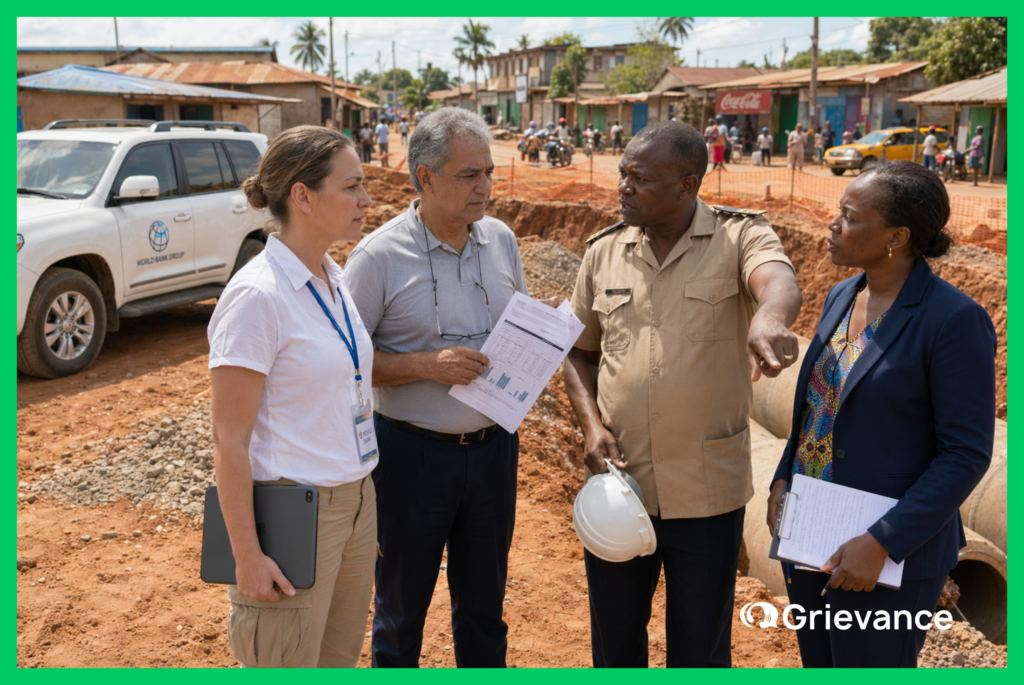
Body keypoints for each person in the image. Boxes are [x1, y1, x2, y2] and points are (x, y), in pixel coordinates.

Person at [564, 121, 802, 669]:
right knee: (615, 640)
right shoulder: (603, 253)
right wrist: (590, 426)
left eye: (640, 178)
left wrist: (769, 319)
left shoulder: (740, 236)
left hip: (706, 492)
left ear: (686, 185)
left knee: (700, 646)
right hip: (619, 485)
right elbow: (577, 350)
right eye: (622, 174)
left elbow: (777, 281)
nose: (623, 187)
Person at [765, 161, 996, 668]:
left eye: (848, 216)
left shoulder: (953, 321)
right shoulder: (842, 296)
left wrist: (881, 543)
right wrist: (783, 479)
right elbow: (816, 409)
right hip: (812, 532)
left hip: (887, 557)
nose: (832, 224)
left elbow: (965, 454)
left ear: (896, 236)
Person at [345, 107, 551, 668]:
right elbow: (346, 365)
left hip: (492, 453)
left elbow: (520, 324)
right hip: (410, 457)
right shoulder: (377, 258)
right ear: (425, 177)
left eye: (487, 172)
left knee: (485, 606)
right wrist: (424, 366)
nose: (484, 187)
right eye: (468, 175)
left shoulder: (502, 240)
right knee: (401, 608)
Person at [209, 126, 377, 668]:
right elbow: (228, 441)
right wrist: (247, 554)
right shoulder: (257, 297)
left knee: (336, 661)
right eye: (351, 186)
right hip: (294, 513)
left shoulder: (333, 276)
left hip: (354, 502)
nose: (366, 200)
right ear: (302, 197)